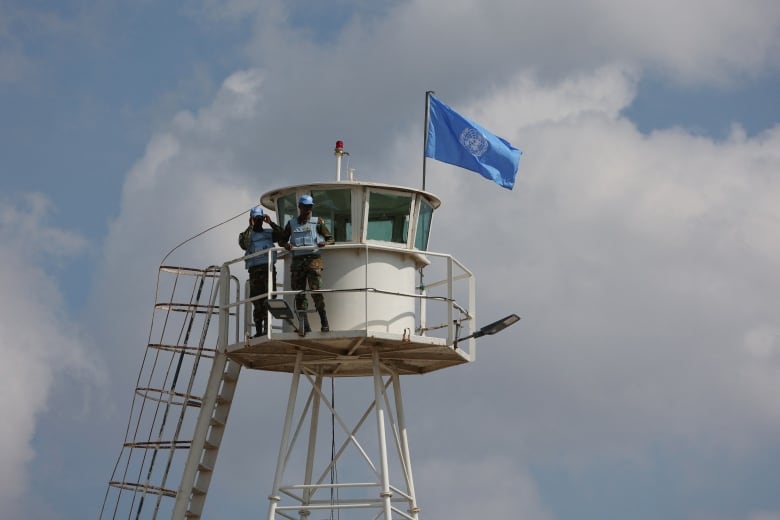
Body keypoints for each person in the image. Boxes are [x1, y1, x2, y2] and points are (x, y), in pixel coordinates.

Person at [280, 194, 335, 333]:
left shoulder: (318, 222)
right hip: (298, 263)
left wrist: (324, 243)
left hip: (313, 262)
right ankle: (304, 325)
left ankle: (324, 321)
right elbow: (282, 240)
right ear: (300, 207)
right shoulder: (291, 224)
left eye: (310, 207)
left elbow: (331, 239)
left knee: (316, 292)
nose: (309, 210)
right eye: (306, 207)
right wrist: (285, 244)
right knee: (299, 294)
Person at [239, 205, 284, 337]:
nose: (258, 221)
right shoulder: (246, 235)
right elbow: (244, 244)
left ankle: (266, 329)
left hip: (268, 270)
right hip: (255, 272)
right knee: (257, 301)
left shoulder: (269, 233)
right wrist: (250, 226)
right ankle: (259, 330)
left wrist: (271, 223)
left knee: (269, 298)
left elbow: (283, 235)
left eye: (260, 218)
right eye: (256, 218)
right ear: (251, 219)